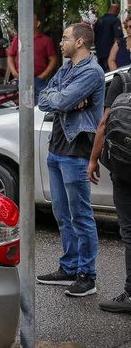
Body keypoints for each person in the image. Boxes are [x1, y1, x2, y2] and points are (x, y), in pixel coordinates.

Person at [37, 23, 106, 297]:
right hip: (57, 148)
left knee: (81, 216)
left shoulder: (91, 72)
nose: (60, 43)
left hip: (76, 151)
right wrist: (61, 99)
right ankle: (69, 268)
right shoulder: (67, 68)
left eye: (65, 38)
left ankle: (87, 276)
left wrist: (62, 99)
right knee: (62, 214)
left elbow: (62, 100)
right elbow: (44, 98)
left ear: (79, 42)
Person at [87, 68, 131, 314]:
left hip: (126, 171)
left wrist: (93, 161)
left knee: (129, 231)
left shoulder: (123, 80)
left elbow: (104, 124)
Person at [7, 14, 58, 103]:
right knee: (23, 109)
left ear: (37, 23)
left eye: (31, 20)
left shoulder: (46, 40)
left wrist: (42, 76)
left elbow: (53, 60)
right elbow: (10, 57)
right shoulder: (18, 39)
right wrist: (14, 73)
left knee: (41, 108)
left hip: (38, 80)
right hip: (22, 80)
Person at [95, 4, 122, 69]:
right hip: (110, 53)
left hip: (99, 52)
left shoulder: (99, 20)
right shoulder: (115, 20)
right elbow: (119, 38)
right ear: (117, 11)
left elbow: (94, 35)